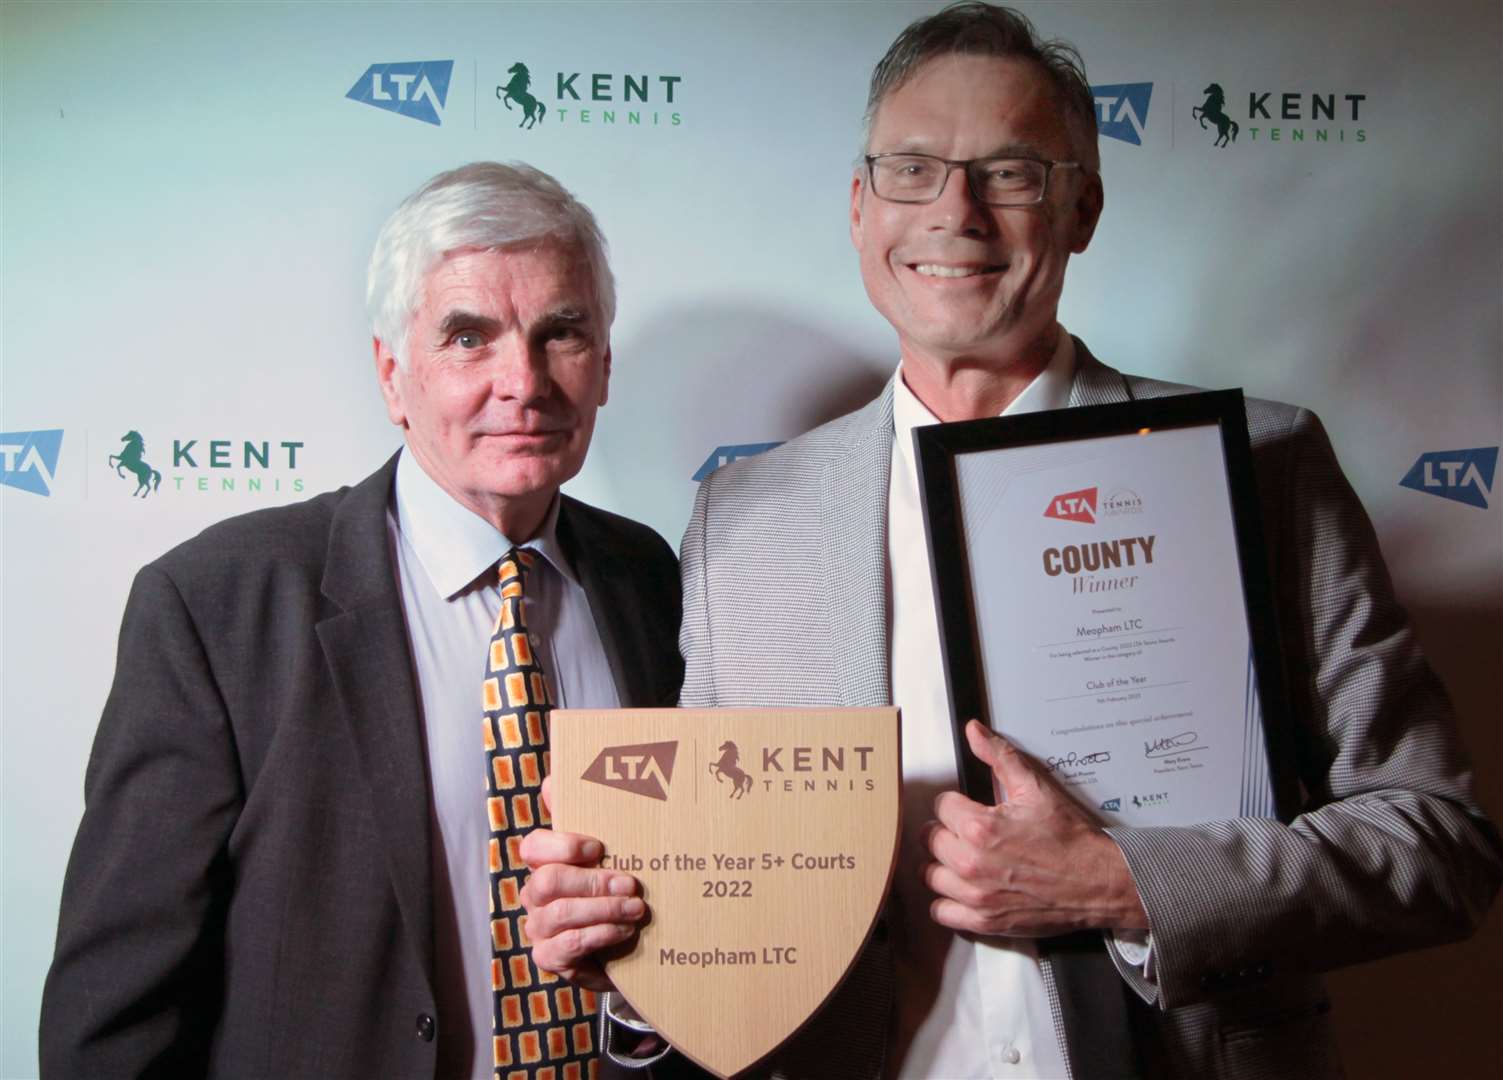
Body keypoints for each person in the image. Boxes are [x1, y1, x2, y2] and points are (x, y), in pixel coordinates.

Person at [521, 5, 1501, 1077]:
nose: (956, 212)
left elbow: (1437, 843)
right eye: (912, 169)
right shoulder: (744, 518)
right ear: (859, 208)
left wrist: (1121, 885)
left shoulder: (1259, 464)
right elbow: (721, 893)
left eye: (1013, 173)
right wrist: (650, 973)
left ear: (1082, 207)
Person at [39, 162, 680, 1079]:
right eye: (468, 337)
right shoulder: (219, 603)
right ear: (393, 372)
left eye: (561, 333)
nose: (523, 381)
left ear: (604, 364)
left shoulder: (652, 579)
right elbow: (115, 1007)